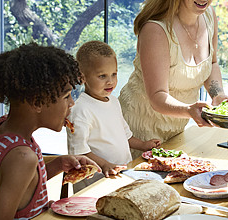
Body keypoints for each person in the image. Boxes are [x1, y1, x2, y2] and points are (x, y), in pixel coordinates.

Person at [0, 43, 98, 220]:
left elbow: (19, 187)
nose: (71, 104)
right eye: (66, 96)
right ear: (37, 102)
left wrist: (58, 165)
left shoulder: (1, 128)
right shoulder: (22, 157)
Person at [119, 0, 228, 147]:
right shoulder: (156, 30)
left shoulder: (209, 17)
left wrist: (218, 95)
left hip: (175, 132)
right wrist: (190, 110)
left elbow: (212, 63)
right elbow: (157, 97)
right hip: (135, 132)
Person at [68, 41, 161, 178]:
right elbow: (78, 151)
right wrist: (104, 164)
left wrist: (143, 145)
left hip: (122, 173)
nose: (110, 81)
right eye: (102, 76)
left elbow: (125, 135)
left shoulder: (114, 101)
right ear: (82, 77)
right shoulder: (80, 110)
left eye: (114, 74)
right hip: (97, 180)